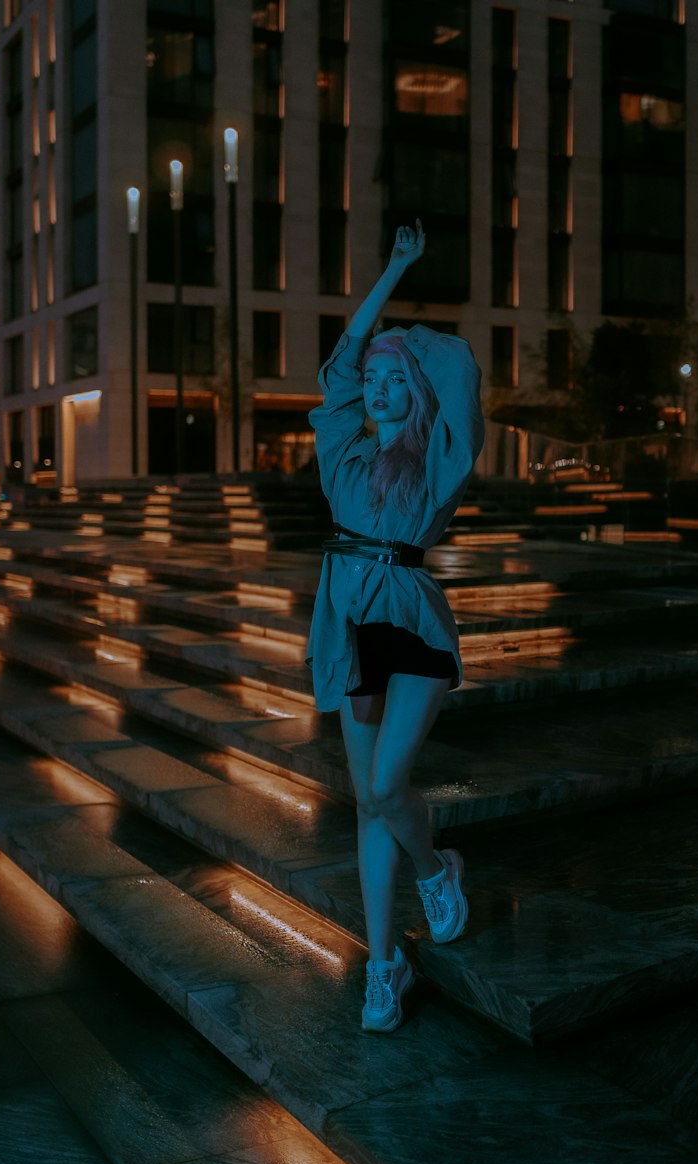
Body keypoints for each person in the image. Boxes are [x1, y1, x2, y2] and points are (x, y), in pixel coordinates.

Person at [306, 220, 484, 1033]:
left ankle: (436, 866)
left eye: (393, 380)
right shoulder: (342, 452)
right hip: (349, 623)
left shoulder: (440, 455)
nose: (375, 387)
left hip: (411, 621)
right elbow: (339, 365)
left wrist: (409, 332)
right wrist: (391, 270)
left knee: (385, 786)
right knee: (367, 802)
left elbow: (459, 371)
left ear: (415, 394)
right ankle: (384, 965)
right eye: (373, 380)